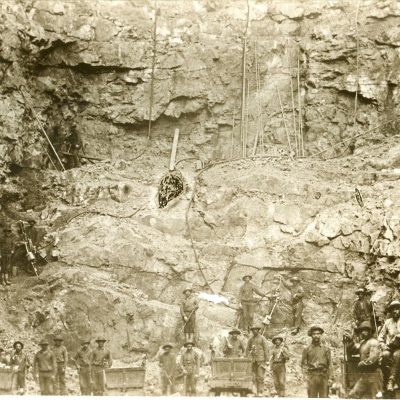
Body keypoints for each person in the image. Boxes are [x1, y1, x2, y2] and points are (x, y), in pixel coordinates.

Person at [345, 321, 382, 399]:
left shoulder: (374, 342)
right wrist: (350, 340)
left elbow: (373, 359)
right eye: (361, 331)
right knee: (353, 394)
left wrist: (362, 363)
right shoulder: (363, 343)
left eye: (364, 330)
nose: (362, 333)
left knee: (376, 397)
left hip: (374, 375)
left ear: (369, 331)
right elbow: (354, 349)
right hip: (365, 376)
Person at [301, 326, 332, 398]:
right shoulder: (307, 349)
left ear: (321, 335)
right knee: (312, 396)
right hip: (312, 376)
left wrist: (330, 378)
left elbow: (330, 364)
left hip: (323, 376)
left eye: (318, 334)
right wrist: (305, 377)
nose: (316, 336)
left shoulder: (326, 349)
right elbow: (303, 364)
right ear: (311, 335)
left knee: (324, 396)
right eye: (314, 334)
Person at [378, 300, 400, 392]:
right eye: (393, 309)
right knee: (385, 355)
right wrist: (383, 345)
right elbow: (380, 337)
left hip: (399, 348)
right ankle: (388, 380)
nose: (395, 311)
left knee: (397, 355)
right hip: (389, 347)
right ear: (391, 311)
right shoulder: (387, 322)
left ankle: (391, 381)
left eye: (397, 309)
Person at [246, 325, 269, 396]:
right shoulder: (250, 339)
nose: (254, 331)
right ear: (252, 331)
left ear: (258, 330)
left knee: (260, 376)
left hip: (261, 360)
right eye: (253, 330)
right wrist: (248, 358)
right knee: (253, 376)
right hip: (253, 361)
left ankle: (260, 391)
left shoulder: (262, 338)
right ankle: (255, 391)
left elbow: (266, 349)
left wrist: (267, 360)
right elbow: (247, 349)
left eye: (256, 330)